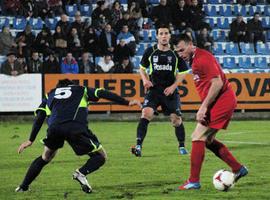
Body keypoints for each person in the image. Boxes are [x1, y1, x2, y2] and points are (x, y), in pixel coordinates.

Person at [15, 79, 141, 193]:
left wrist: (30, 140)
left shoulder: (50, 94)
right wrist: (127, 102)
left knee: (45, 157)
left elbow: (40, 117)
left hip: (54, 129)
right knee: (101, 156)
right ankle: (81, 173)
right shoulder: (81, 89)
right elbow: (102, 93)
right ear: (71, 85)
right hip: (75, 127)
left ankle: (23, 186)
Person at [173, 34, 248, 190]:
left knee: (197, 136)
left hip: (222, 101)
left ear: (190, 44)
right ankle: (238, 168)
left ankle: (194, 181)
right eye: (177, 52)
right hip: (218, 102)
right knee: (207, 140)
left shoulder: (202, 58)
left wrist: (204, 107)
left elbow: (217, 82)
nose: (180, 54)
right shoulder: (193, 59)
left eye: (182, 50)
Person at [131, 24, 189, 157]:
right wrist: (145, 80)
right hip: (154, 90)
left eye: (166, 33)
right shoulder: (150, 51)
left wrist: (174, 86)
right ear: (157, 36)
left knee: (176, 120)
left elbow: (184, 72)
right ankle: (138, 145)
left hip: (170, 91)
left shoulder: (175, 53)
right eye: (161, 33)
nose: (164, 36)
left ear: (169, 35)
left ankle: (181, 146)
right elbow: (141, 68)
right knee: (146, 113)